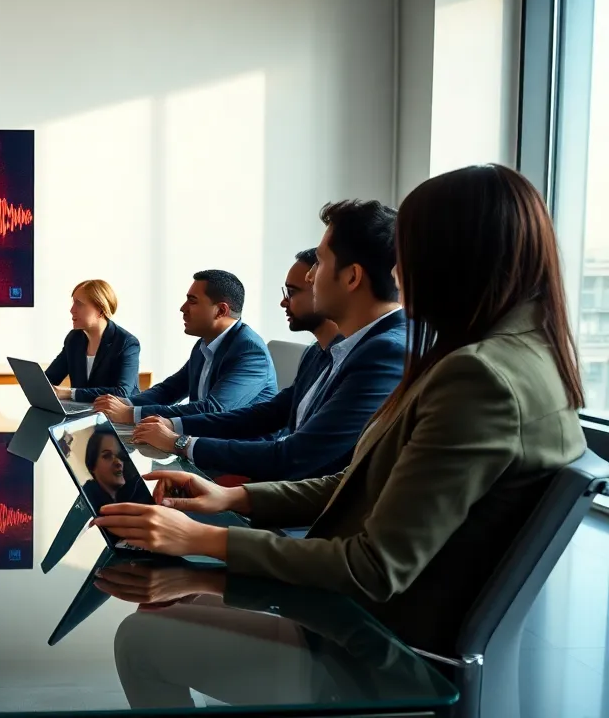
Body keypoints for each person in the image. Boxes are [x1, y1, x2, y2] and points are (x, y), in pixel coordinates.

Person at [92, 164, 586, 656]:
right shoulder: (514, 358)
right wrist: (232, 502)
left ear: (446, 258)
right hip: (374, 608)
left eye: (406, 254)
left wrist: (201, 538)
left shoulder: (477, 379)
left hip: (378, 641)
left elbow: (373, 568)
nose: (396, 272)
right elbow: (368, 479)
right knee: (164, 609)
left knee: (144, 635)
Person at [134, 206, 407, 483]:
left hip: (311, 511)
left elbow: (297, 458)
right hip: (287, 491)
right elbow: (270, 414)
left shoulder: (386, 353)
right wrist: (174, 428)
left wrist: (181, 443)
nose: (311, 277)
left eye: (319, 263)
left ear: (352, 277)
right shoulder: (328, 350)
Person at [93, 270, 277, 425]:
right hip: (205, 439)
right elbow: (169, 390)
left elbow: (213, 409)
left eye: (193, 301)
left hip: (239, 452)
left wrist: (130, 414)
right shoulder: (204, 343)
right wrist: (124, 403)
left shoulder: (250, 351)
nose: (183, 308)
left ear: (221, 310)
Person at [44, 279, 141, 401]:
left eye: (79, 304)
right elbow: (50, 379)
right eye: (73, 303)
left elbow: (122, 392)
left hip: (116, 417)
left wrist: (70, 393)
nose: (72, 310)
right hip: (82, 414)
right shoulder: (74, 338)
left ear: (100, 309)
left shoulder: (127, 343)